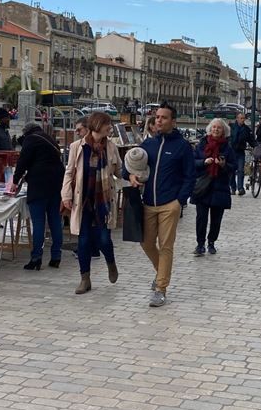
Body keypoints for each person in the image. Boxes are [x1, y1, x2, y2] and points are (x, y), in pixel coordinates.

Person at [125, 102, 194, 308]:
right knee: (146, 243)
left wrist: (179, 201)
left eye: (163, 118)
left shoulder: (182, 147)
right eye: (157, 117)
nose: (159, 121)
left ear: (173, 121)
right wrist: (130, 176)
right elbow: (127, 166)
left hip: (169, 205)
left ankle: (160, 288)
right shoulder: (148, 145)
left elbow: (190, 177)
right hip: (147, 203)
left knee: (166, 246)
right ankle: (161, 272)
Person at [61, 111, 122, 293]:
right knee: (84, 241)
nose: (110, 127)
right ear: (97, 125)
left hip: (103, 200)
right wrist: (66, 195)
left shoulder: (111, 148)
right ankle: (85, 279)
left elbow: (119, 171)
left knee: (104, 240)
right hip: (83, 199)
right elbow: (69, 172)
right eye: (107, 124)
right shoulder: (76, 147)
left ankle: (111, 262)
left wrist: (133, 175)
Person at [14, 123, 64, 270]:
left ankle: (36, 258)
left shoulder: (31, 140)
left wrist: (15, 181)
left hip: (39, 185)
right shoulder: (49, 139)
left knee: (38, 223)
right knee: (55, 219)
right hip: (56, 184)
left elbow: (22, 162)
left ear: (26, 132)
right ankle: (56, 257)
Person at [192, 118, 237, 255]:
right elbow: (193, 162)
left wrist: (223, 165)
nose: (216, 130)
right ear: (210, 129)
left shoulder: (227, 148)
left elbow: (233, 167)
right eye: (214, 127)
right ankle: (200, 244)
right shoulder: (201, 145)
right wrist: (203, 162)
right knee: (201, 218)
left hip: (220, 187)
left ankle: (211, 242)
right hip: (203, 186)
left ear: (224, 131)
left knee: (216, 219)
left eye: (219, 128)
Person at [228, 111, 254, 196]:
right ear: (237, 119)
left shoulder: (246, 129)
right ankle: (233, 188)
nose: (243, 120)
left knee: (240, 170)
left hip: (240, 152)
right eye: (241, 118)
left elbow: (250, 140)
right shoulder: (231, 127)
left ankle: (240, 188)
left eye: (244, 118)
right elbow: (227, 138)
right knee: (231, 171)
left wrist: (256, 145)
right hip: (231, 152)